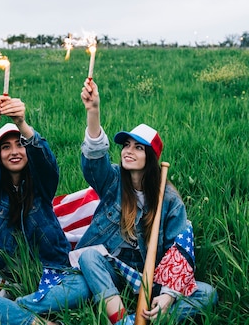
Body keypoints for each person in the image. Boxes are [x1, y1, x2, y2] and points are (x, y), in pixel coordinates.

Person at [76, 79, 218, 324]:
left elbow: (178, 250)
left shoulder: (169, 199)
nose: (128, 151)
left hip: (152, 275)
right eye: (126, 145)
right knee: (88, 257)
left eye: (138, 148)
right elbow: (94, 159)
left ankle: (142, 316)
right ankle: (123, 320)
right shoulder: (112, 180)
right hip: (115, 268)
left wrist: (169, 296)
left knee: (208, 294)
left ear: (150, 158)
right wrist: (93, 111)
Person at [0, 95, 90, 325]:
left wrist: (21, 123)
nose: (14, 151)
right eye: (6, 147)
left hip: (49, 269)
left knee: (83, 285)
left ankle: (13, 310)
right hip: (0, 273)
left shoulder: (42, 186)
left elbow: (46, 163)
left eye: (20, 145)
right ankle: (37, 322)